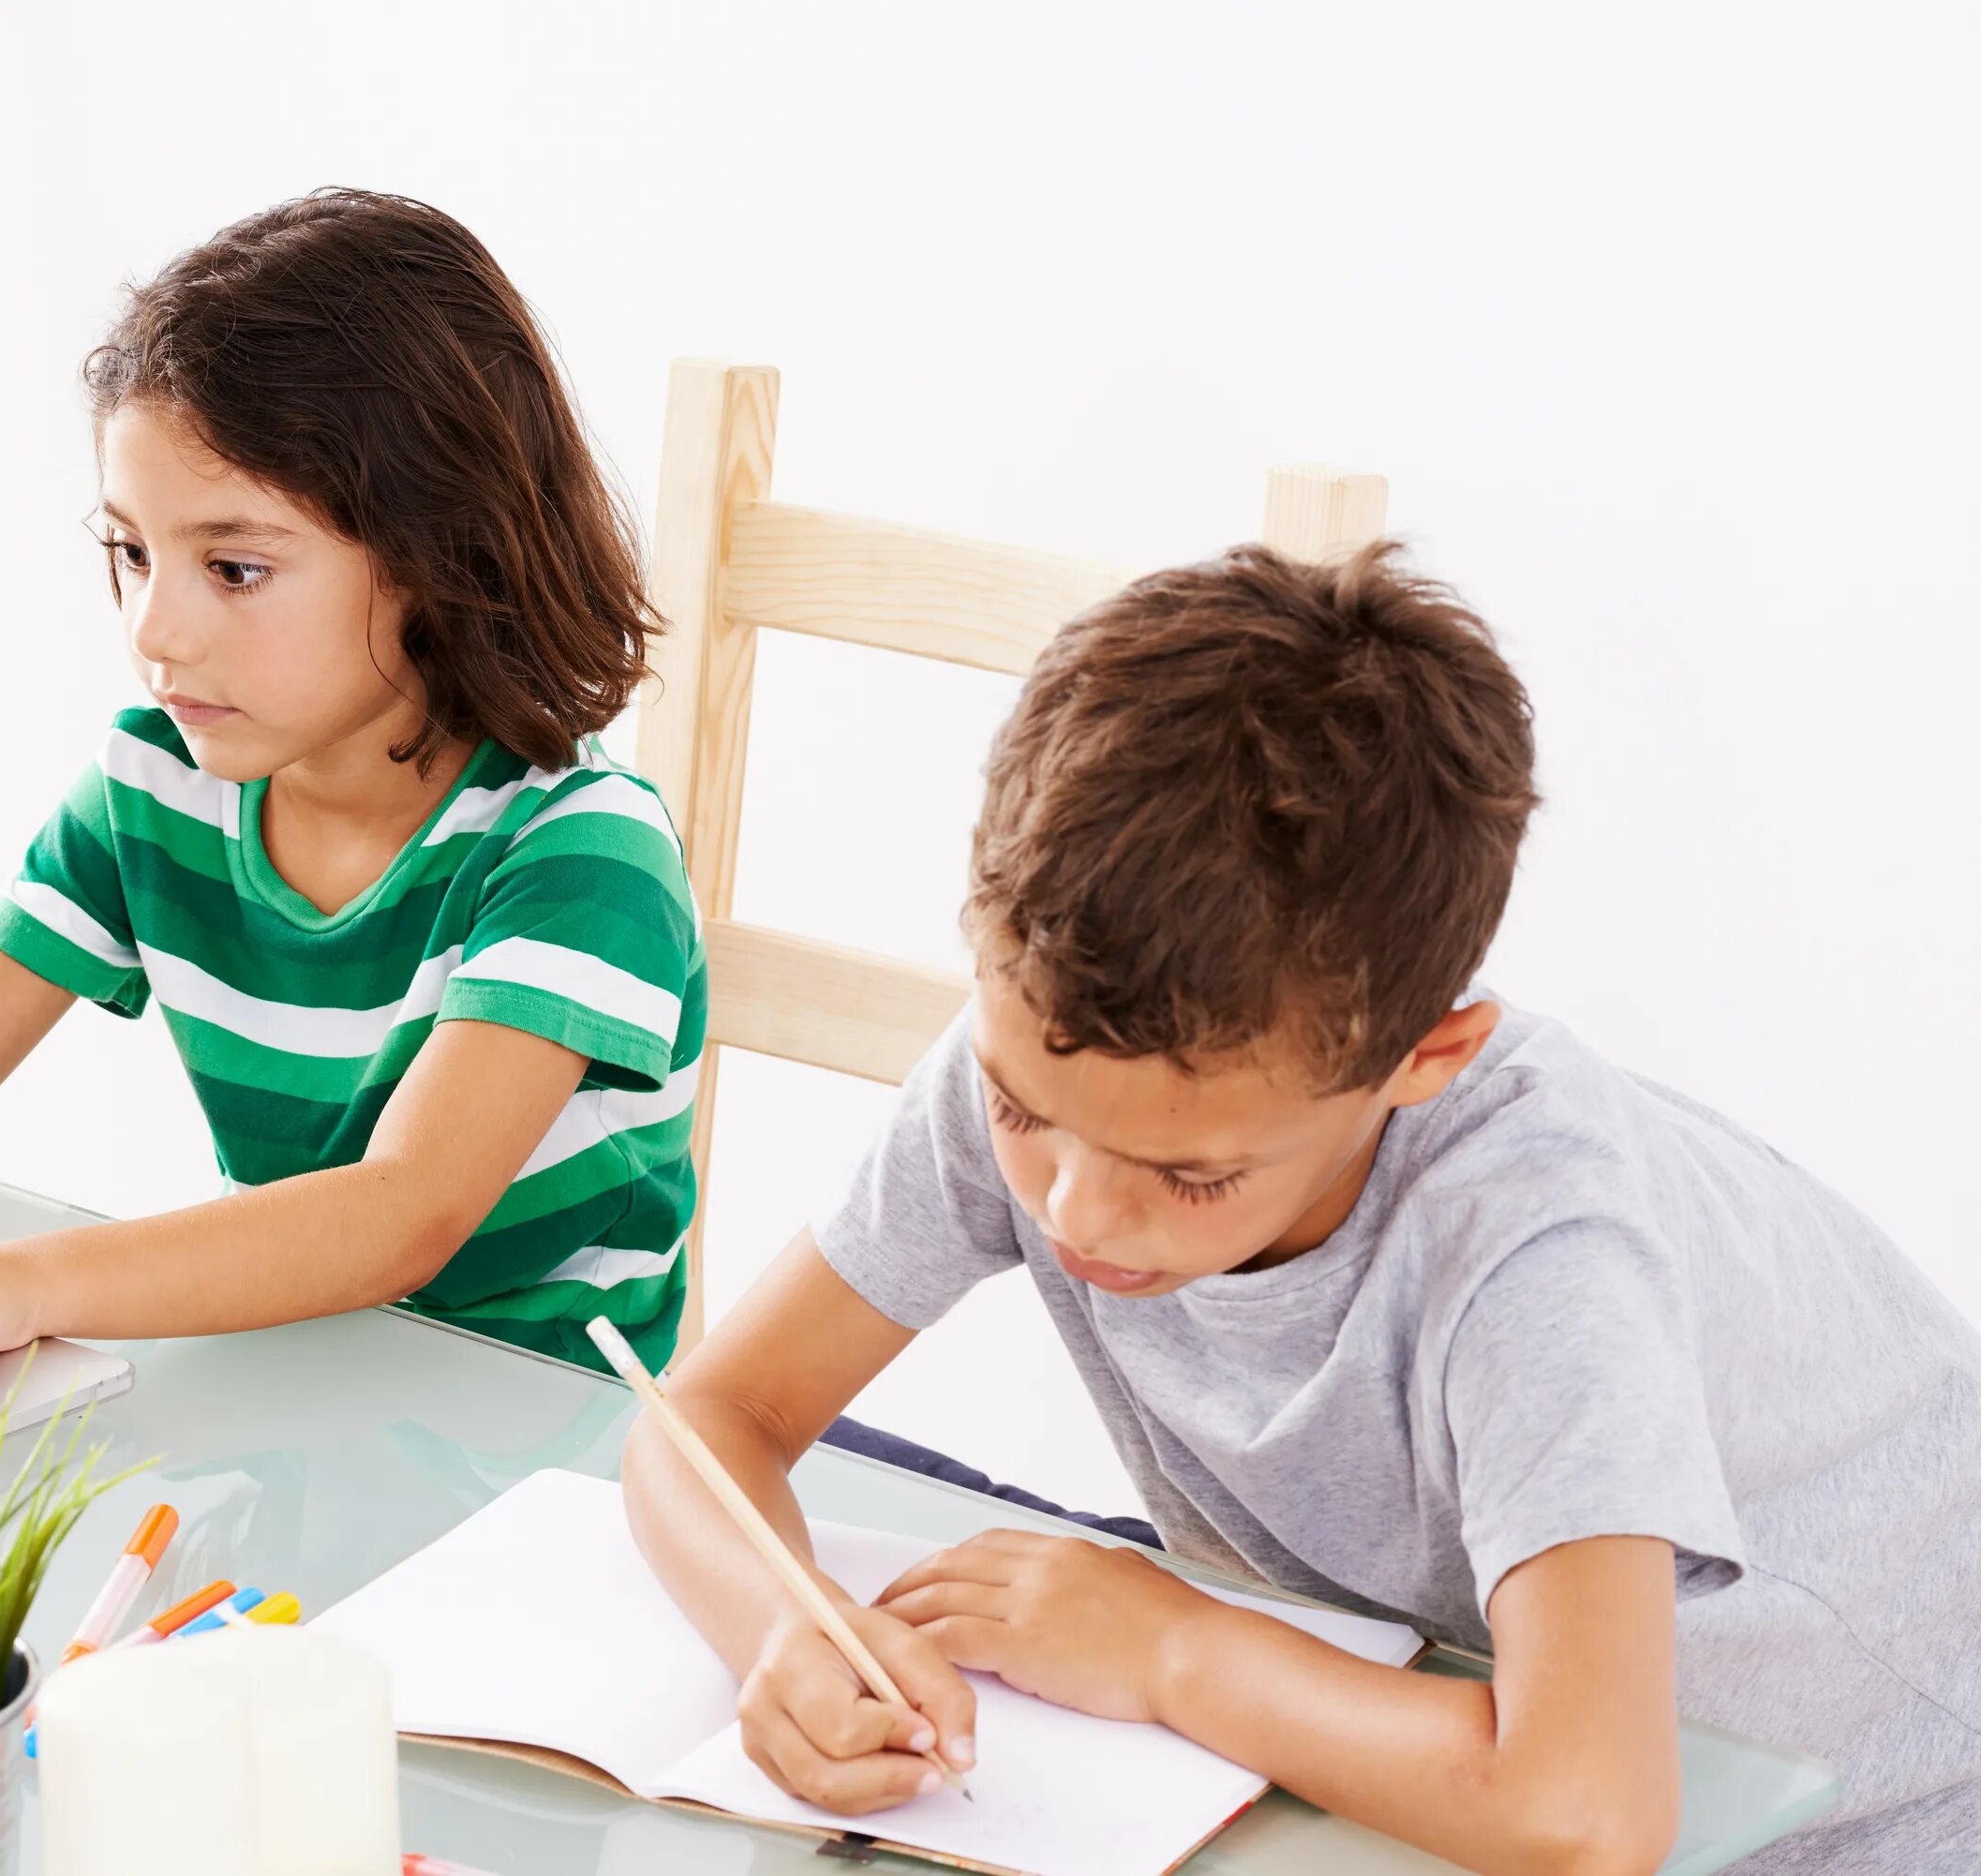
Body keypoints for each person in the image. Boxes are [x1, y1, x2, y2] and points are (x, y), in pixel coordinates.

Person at [620, 542, 1981, 1873]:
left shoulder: (1540, 1251)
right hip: (1439, 1726)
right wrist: (787, 1629)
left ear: (1423, 1060)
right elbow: (711, 1418)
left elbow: (1586, 1815)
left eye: (1193, 1177)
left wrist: (1170, 1646)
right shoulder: (1064, 1054)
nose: (1080, 1211)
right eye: (1022, 1113)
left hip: (1865, 1812)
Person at [0, 190, 704, 1383]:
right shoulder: (159, 787)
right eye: (131, 551)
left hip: (546, 1460)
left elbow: (402, 1215)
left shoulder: (580, 854)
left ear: (439, 554)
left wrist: (25, 1278)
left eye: (235, 568)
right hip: (283, 1402)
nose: (157, 628)